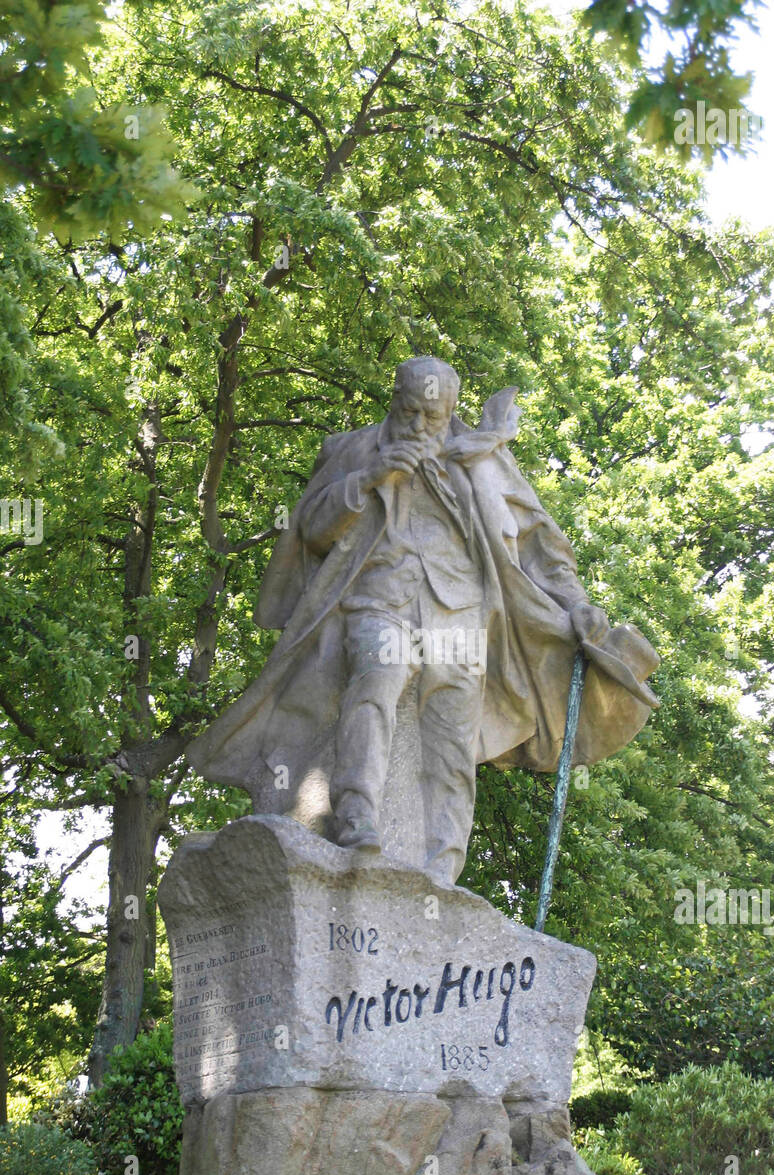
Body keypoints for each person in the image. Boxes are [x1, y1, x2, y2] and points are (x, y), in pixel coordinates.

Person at [188, 357, 659, 882]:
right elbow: (312, 533)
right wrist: (370, 479)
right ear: (394, 399)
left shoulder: (484, 460)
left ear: (451, 411)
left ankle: (441, 870)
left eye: (430, 416)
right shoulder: (352, 449)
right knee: (378, 677)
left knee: (452, 737)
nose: (417, 425)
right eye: (408, 410)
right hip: (379, 598)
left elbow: (540, 545)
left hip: (460, 613)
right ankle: (355, 815)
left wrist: (574, 602)